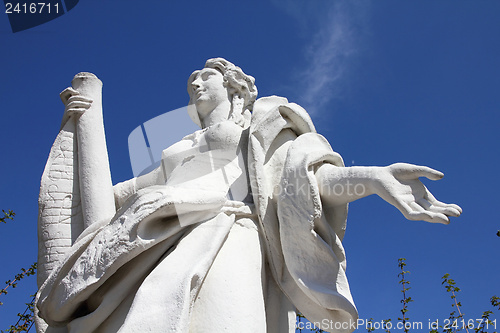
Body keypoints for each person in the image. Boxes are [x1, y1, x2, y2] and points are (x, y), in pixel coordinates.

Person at [37, 58, 461, 333]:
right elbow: (109, 204)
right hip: (153, 244)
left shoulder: (260, 127)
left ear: (236, 87)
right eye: (192, 81)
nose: (197, 83)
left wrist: (370, 178)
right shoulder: (176, 150)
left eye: (207, 76)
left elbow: (301, 184)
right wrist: (83, 129)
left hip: (230, 239)